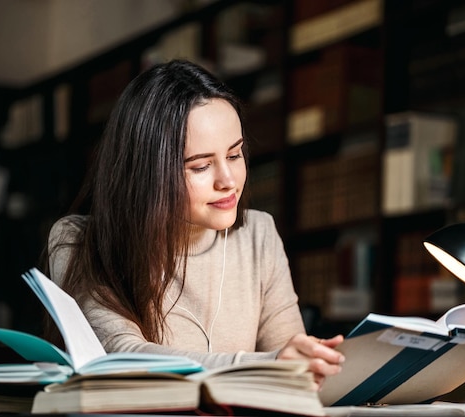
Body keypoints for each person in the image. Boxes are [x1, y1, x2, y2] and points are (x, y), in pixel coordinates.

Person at [47, 59, 344, 388]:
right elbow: (123, 356)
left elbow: (294, 373)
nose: (228, 180)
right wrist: (271, 363)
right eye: (201, 166)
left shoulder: (258, 234)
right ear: (149, 172)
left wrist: (307, 365)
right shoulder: (79, 240)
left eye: (234, 155)